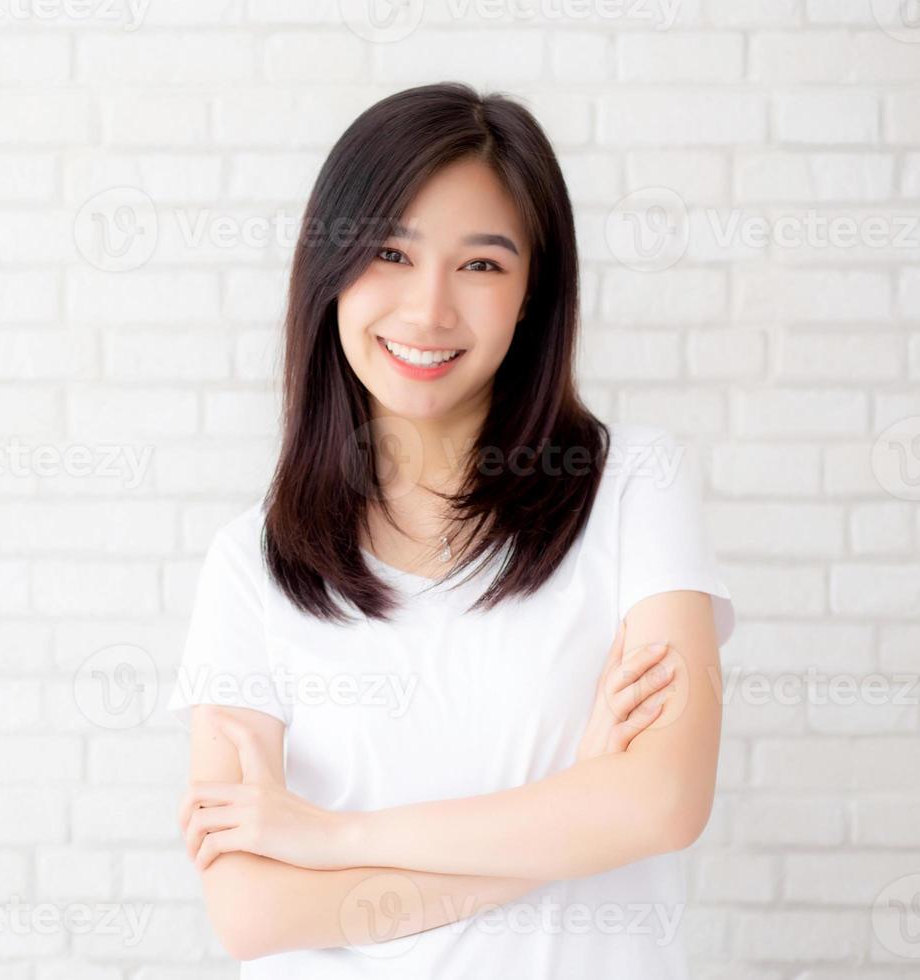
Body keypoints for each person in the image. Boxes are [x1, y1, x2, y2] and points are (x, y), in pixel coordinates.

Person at [167, 81, 735, 978]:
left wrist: (331, 839)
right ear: (330, 269)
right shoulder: (254, 564)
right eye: (392, 253)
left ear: (531, 295)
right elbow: (252, 912)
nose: (429, 310)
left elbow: (660, 802)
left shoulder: (632, 487)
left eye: (481, 265)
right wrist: (566, 817)